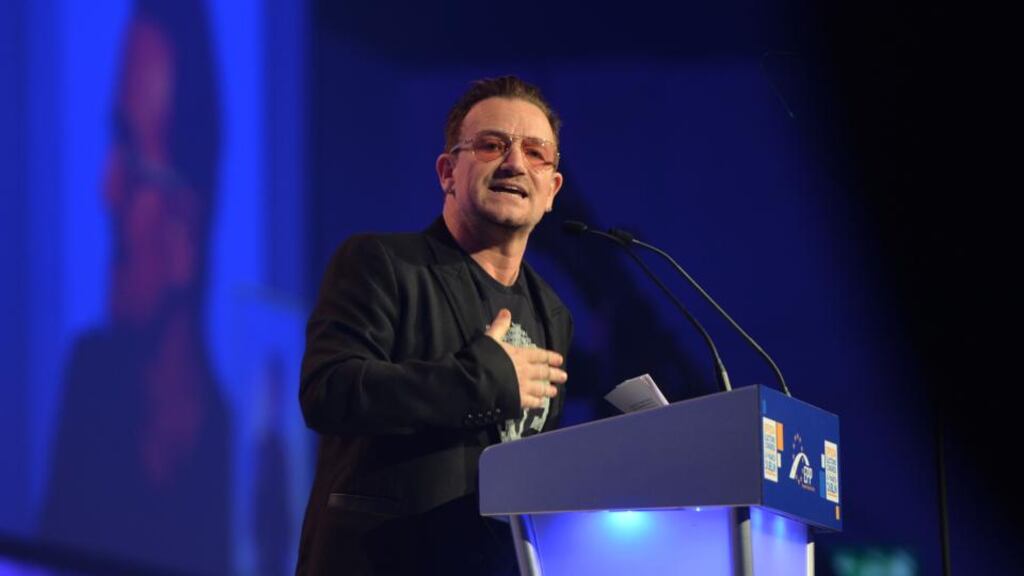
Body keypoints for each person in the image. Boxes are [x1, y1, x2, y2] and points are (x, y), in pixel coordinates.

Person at [296, 76, 573, 575]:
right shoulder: (381, 265)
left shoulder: (551, 313)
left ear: (552, 189)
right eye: (492, 145)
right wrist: (482, 380)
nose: (514, 163)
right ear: (447, 172)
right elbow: (328, 390)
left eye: (536, 153)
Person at [40, 2, 231, 574]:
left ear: (187, 225)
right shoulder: (90, 383)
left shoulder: (231, 445)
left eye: (130, 153)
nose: (107, 188)